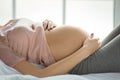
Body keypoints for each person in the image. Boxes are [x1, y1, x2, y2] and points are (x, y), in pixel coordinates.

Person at [0, 18, 120, 78]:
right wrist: (86, 50)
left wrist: (45, 23)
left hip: (89, 50)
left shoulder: (6, 25)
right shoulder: (1, 46)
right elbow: (39, 74)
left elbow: (35, 39)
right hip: (82, 62)